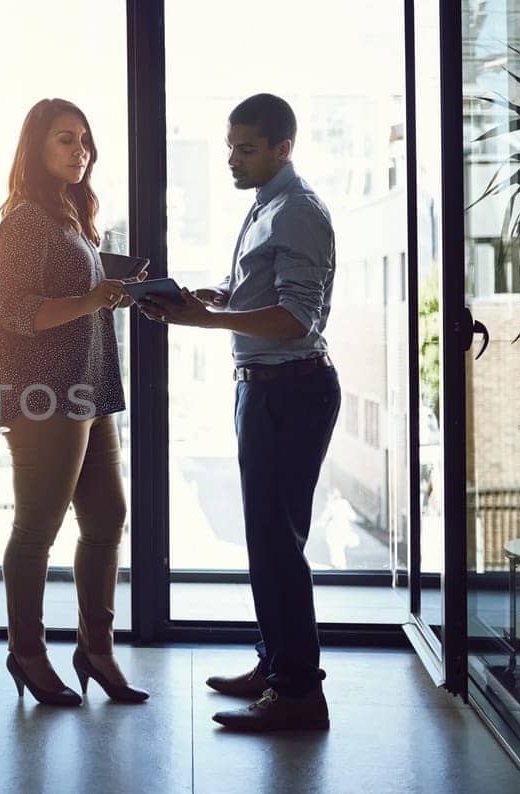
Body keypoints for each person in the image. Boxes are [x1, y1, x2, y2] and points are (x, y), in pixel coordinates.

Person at [136, 93, 338, 731]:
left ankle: (298, 693)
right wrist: (215, 295)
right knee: (267, 543)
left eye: (245, 148)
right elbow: (263, 292)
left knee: (278, 547)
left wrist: (203, 316)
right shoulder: (267, 207)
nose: (231, 159)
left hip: (290, 389)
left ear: (284, 148)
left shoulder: (297, 211)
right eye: (230, 145)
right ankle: (276, 664)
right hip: (268, 386)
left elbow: (294, 317)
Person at [0, 97, 148, 707]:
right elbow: (16, 314)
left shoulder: (68, 216)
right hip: (45, 394)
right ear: (35, 147)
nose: (79, 150)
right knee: (36, 531)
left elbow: (70, 291)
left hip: (87, 388)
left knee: (107, 518)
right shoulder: (25, 219)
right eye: (63, 139)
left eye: (84, 139)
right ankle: (26, 651)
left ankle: (95, 649)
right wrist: (93, 298)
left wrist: (111, 289)